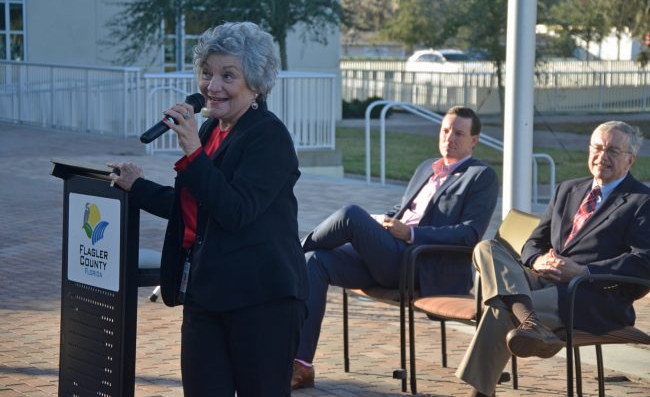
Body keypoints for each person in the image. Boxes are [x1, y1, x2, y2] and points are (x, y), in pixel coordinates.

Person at [108, 22, 308, 397]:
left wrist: (193, 154)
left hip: (262, 299)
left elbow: (235, 210)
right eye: (207, 73)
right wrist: (137, 187)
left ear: (256, 85)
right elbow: (196, 207)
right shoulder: (211, 130)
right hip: (207, 291)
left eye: (228, 76)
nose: (212, 87)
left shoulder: (269, 136)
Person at [291, 106, 499, 389]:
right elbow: (401, 210)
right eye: (445, 130)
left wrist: (411, 233)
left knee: (351, 214)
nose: (449, 138)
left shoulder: (480, 176)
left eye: (459, 133)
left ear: (474, 140)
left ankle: (290, 251)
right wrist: (383, 222)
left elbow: (468, 234)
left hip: (418, 264)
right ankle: (301, 364)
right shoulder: (427, 166)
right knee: (316, 260)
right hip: (389, 255)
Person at [456, 121, 650, 397]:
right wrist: (536, 261)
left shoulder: (642, 201)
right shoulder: (567, 189)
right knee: (486, 248)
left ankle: (482, 390)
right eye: (597, 148)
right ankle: (532, 322)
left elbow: (643, 263)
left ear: (630, 159)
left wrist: (583, 271)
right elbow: (534, 242)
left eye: (612, 151)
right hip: (540, 279)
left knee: (500, 308)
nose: (601, 156)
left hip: (585, 294)